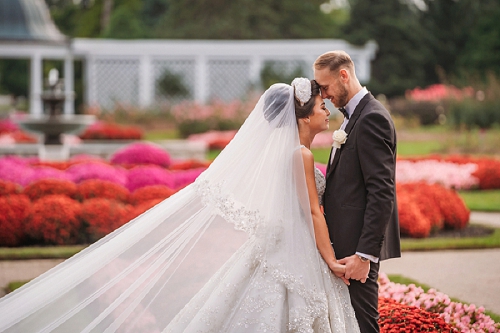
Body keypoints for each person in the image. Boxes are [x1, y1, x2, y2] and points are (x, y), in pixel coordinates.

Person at [0, 79, 360, 333]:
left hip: (282, 248)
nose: (326, 111)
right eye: (321, 106)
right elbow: (312, 212)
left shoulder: (288, 154)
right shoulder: (298, 154)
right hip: (297, 254)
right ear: (302, 115)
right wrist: (330, 260)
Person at [313, 51, 401, 333]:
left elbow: (381, 191)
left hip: (356, 251)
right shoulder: (352, 117)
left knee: (363, 325)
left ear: (344, 75)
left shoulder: (372, 118)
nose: (324, 95)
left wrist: (364, 256)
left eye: (325, 87)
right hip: (343, 247)